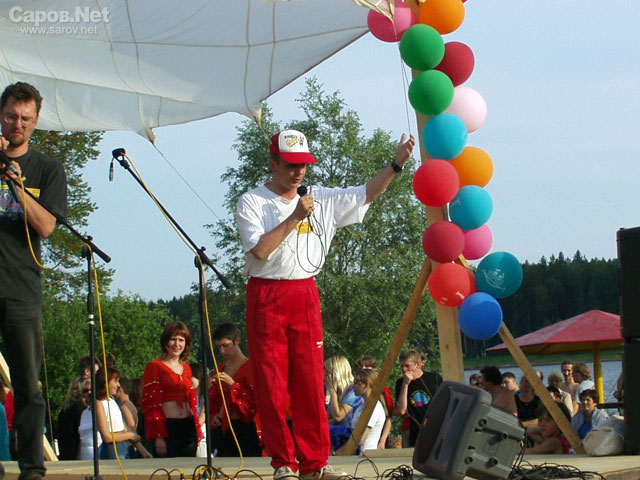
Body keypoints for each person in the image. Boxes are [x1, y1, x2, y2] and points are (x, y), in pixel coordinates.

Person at [237, 128, 415, 480]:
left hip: (304, 292)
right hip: (267, 293)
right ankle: (283, 463)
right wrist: (294, 217)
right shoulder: (253, 201)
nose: (299, 171)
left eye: (303, 164)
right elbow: (259, 250)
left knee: (310, 381)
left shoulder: (320, 196)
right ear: (273, 164)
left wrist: (395, 165)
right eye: (291, 165)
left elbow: (366, 192)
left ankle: (315, 463)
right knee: (271, 384)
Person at [0, 82, 68, 480]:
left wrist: (16, 185)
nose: (18, 124)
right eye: (11, 116)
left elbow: (45, 226)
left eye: (25, 119)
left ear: (36, 121)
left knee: (27, 383)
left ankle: (32, 468)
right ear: (1, 115)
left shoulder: (46, 168)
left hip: (20, 288)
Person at [142, 321, 201, 457]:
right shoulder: (154, 366)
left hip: (188, 427)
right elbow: (152, 403)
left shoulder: (186, 368)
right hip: (168, 427)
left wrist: (197, 430)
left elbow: (191, 401)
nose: (177, 344)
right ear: (165, 341)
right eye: (173, 339)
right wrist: (159, 435)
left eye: (181, 340)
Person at [209, 323, 261, 457]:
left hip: (247, 427)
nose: (222, 351)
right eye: (219, 347)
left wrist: (233, 385)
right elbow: (217, 399)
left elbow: (256, 401)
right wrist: (216, 416)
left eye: (225, 345)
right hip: (225, 427)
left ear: (237, 340)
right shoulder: (220, 367)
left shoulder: (251, 366)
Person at [393, 349, 442, 448]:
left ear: (418, 365)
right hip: (415, 432)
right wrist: (405, 384)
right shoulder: (400, 383)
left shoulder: (434, 378)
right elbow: (401, 410)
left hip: (435, 430)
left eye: (407, 366)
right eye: (402, 366)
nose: (404, 369)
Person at [95, 367, 142, 459]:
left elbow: (124, 427)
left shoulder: (112, 401)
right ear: (105, 383)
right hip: (113, 450)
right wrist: (130, 436)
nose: (118, 385)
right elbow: (107, 437)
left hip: (124, 447)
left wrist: (142, 450)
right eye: (115, 381)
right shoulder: (99, 404)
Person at [336, 368, 385, 454]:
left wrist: (339, 452)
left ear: (367, 384)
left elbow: (359, 438)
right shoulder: (361, 407)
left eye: (356, 383)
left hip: (366, 455)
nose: (353, 386)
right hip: (357, 455)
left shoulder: (374, 408)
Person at [325, 356, 363, 453]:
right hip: (338, 439)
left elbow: (338, 416)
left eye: (327, 372)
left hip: (350, 441)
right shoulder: (337, 392)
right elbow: (328, 417)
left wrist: (332, 391)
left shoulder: (352, 391)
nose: (324, 375)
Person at [356, 356, 393, 449]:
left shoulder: (383, 392)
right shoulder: (361, 403)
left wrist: (382, 440)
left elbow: (388, 417)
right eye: (361, 366)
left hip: (369, 446)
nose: (363, 369)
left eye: (366, 366)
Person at [56, 377, 89, 460]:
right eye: (86, 390)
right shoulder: (83, 410)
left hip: (65, 453)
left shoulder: (64, 409)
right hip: (77, 453)